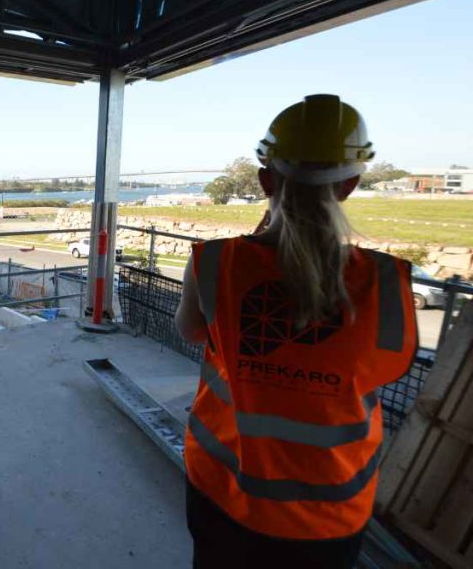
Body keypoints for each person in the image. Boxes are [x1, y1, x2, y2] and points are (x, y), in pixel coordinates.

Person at [175, 95, 417, 568]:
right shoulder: (387, 283)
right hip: (327, 513)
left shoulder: (215, 262)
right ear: (349, 184)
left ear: (266, 180)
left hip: (222, 489)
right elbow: (382, 371)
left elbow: (191, 332)